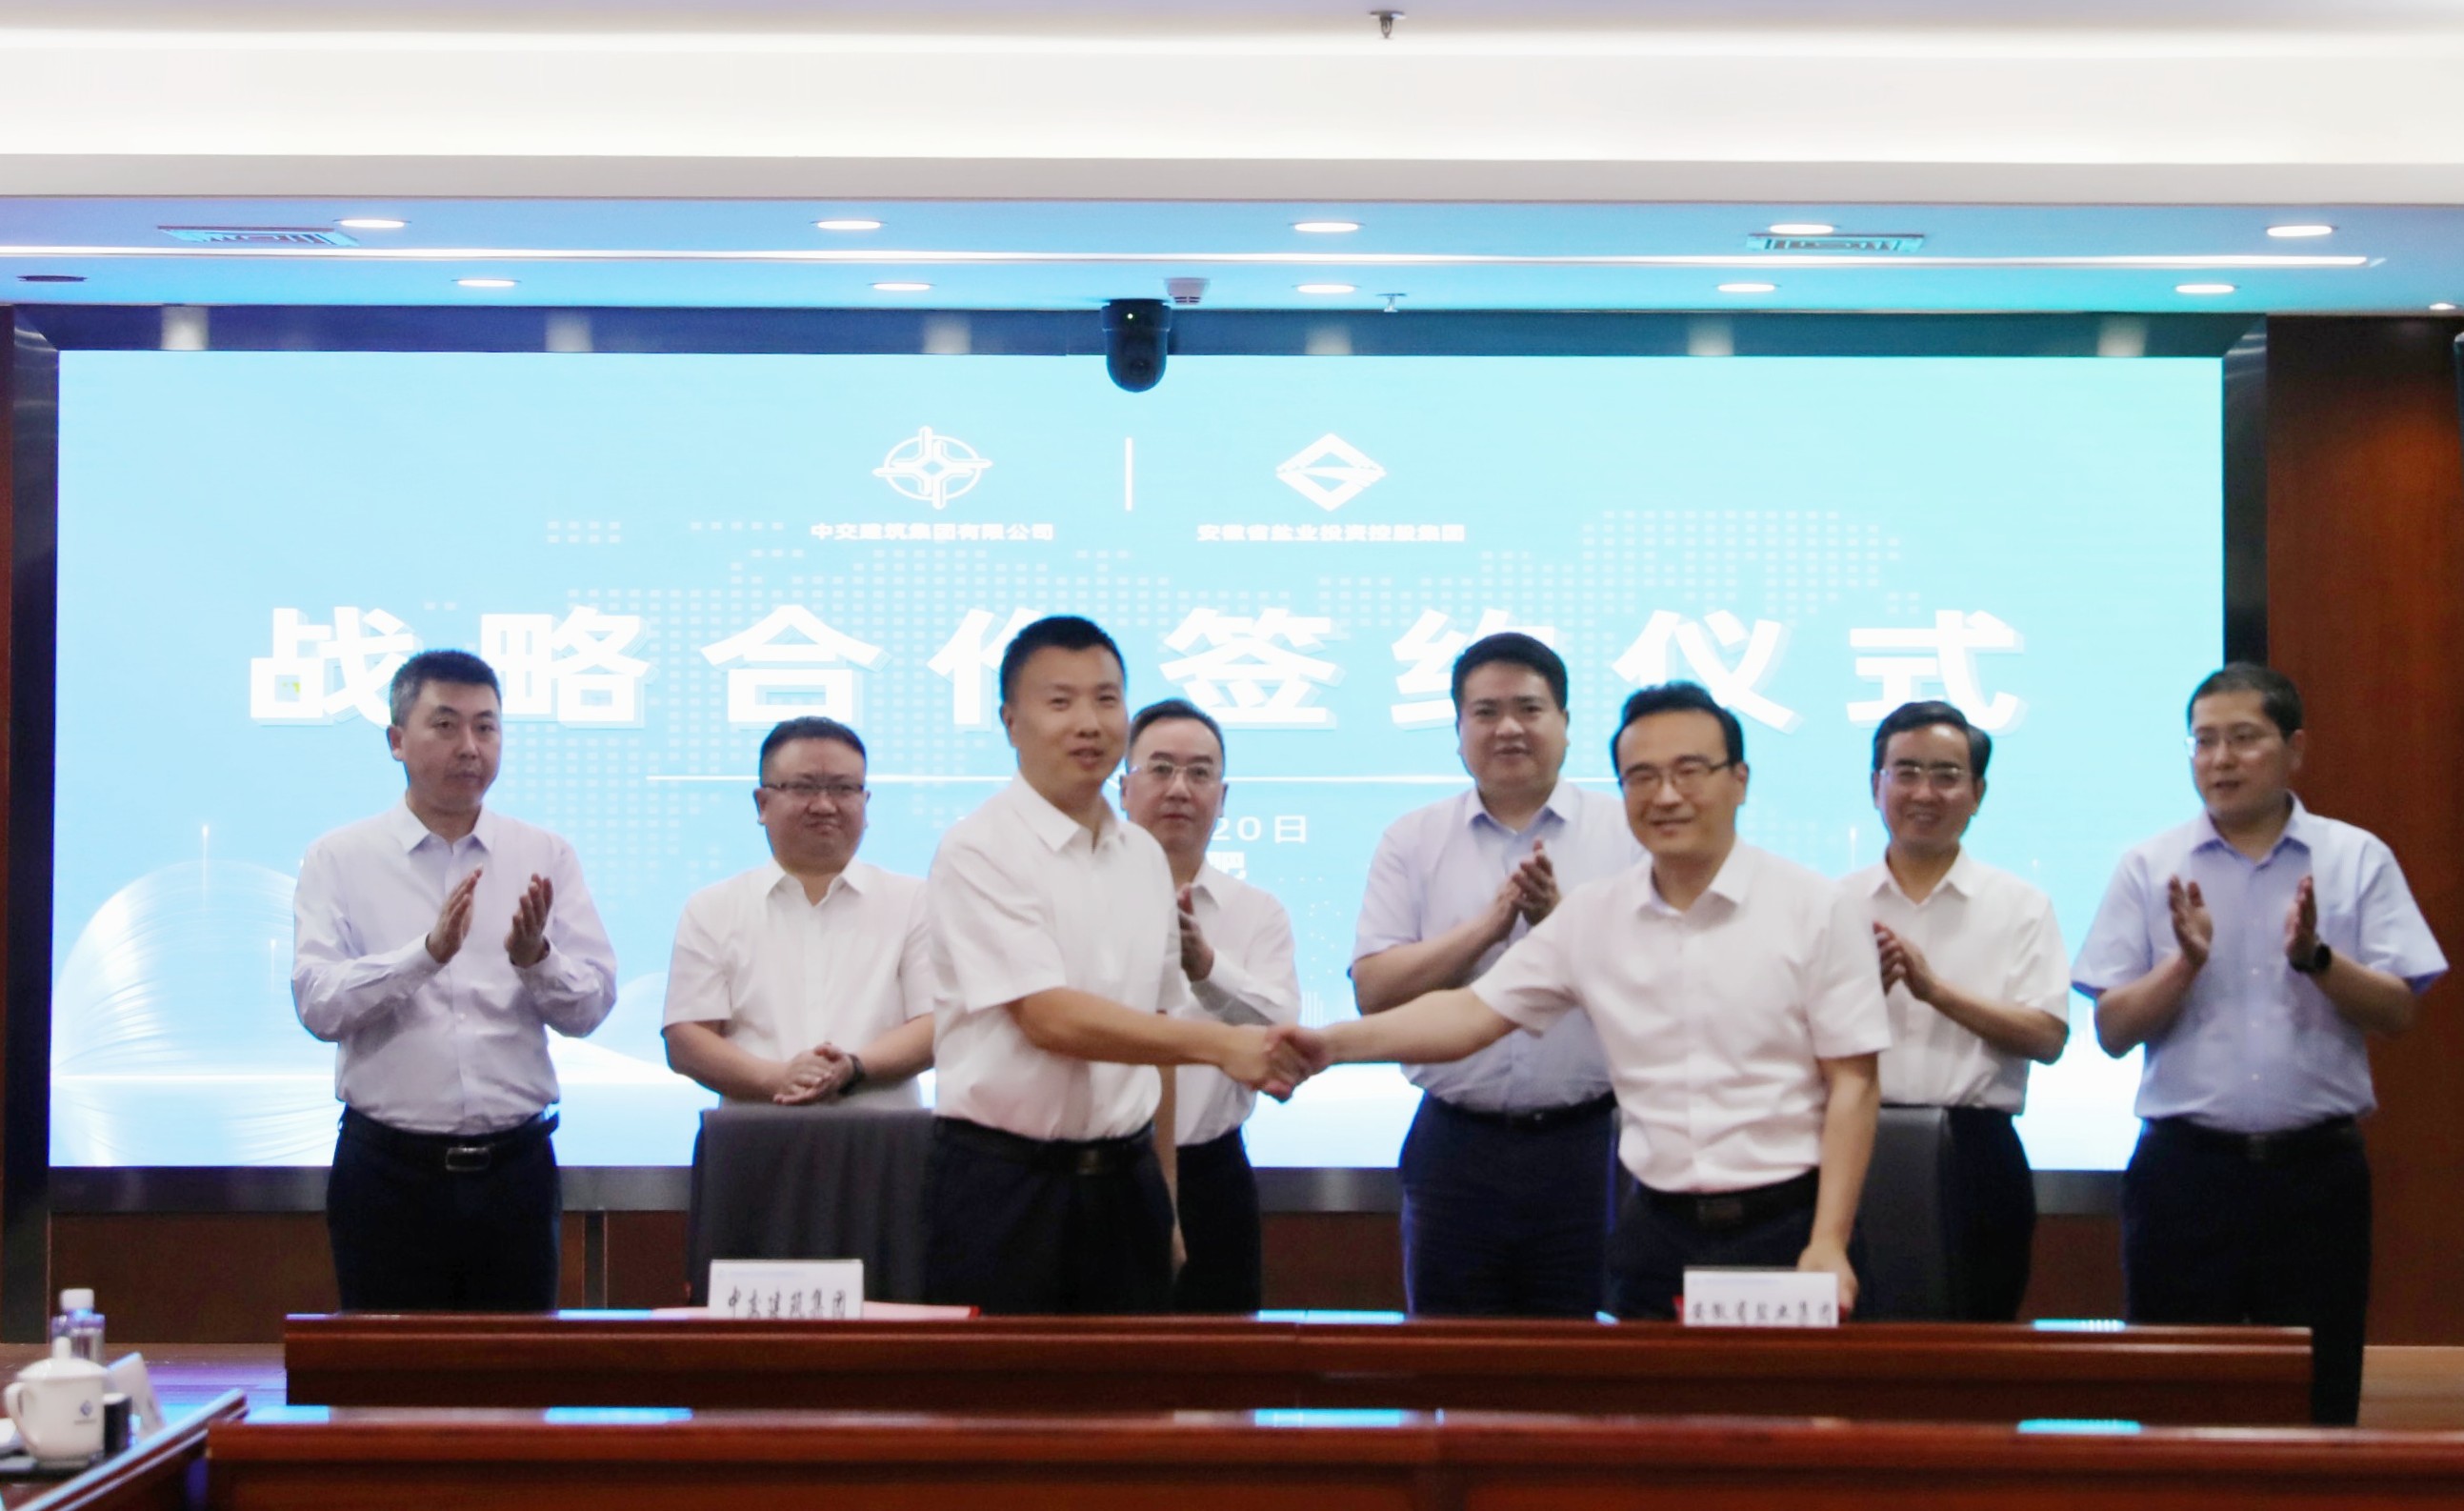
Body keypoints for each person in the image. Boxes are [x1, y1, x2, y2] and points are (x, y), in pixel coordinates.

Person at [1303, 681, 1889, 1319]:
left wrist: (1829, 1240)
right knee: (1621, 1386)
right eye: (1642, 777)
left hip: (1790, 1228)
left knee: (1785, 1389)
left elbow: (1853, 1084)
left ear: (1738, 780)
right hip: (1656, 1229)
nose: (1666, 795)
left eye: (1689, 771)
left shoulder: (1816, 908)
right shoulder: (1593, 916)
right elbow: (1470, 1015)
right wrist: (1325, 1044)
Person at [2074, 663, 2444, 1425]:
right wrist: (2184, 964)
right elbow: (2111, 1030)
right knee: (2171, 1405)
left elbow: (2396, 1011)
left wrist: (2316, 957)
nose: (2220, 759)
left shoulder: (2354, 858)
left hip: (2314, 1175)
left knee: (2318, 1399)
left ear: (2293, 749)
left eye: (2243, 738)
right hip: (2184, 1173)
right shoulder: (2149, 865)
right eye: (2203, 741)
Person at [921, 615, 1310, 1315]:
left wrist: (1166, 1199)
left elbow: (1153, 1035)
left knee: (1137, 1382)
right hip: (1006, 1186)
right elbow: (1049, 1019)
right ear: (1011, 721)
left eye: (1106, 700)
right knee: (998, 1385)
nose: (1089, 723)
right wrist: (1220, 1044)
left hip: (1127, 1183)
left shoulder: (1141, 858)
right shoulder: (979, 848)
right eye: (1060, 701)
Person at [292, 649, 618, 1311]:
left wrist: (536, 959)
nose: (469, 746)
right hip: (387, 1173)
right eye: (445, 725)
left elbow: (590, 1007)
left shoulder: (543, 854)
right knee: (386, 1371)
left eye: (486, 727)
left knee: (518, 1368)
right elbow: (318, 1005)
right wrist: (425, 955)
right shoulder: (339, 857)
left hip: (515, 1172)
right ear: (396, 740)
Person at [1351, 632, 1641, 1317]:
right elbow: (1374, 991)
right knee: (1450, 1353)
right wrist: (1488, 927)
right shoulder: (1412, 839)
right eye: (1485, 712)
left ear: (1565, 724)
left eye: (1529, 709)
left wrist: (1557, 923)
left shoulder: (1627, 834)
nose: (1508, 728)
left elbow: (1655, 990)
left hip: (1590, 1143)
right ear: (1458, 732)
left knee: (1585, 1354)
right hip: (1455, 1145)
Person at [1848, 699, 2068, 1320]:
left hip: (1976, 1152)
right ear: (1875, 785)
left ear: (1977, 793)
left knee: (1978, 1337)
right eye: (1906, 772)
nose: (1924, 792)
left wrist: (1934, 990)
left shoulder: (2019, 904)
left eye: (1946, 775)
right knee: (1857, 1344)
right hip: (1853, 1144)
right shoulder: (1831, 904)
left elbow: (2047, 1036)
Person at [1119, 696, 1303, 1313]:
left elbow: (1284, 1038)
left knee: (1224, 1360)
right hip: (1105, 1169)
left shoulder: (1257, 912)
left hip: (1212, 1173)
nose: (1179, 788)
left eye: (1199, 773)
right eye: (1160, 769)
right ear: (1123, 789)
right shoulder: (1078, 903)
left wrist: (1207, 969)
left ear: (1222, 798)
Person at [662, 716, 935, 1107]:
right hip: (757, 1131)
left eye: (843, 788)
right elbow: (687, 1038)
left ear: (866, 802)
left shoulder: (916, 901)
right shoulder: (712, 908)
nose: (824, 805)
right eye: (804, 787)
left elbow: (937, 1023)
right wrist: (778, 1078)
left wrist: (854, 1068)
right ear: (762, 803)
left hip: (882, 1131)